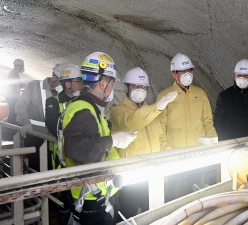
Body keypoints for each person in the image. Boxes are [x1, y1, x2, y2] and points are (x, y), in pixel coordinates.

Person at [62, 52, 137, 225]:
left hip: (94, 191)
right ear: (103, 83)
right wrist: (114, 140)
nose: (111, 88)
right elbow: (77, 149)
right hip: (90, 195)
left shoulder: (89, 108)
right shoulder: (84, 110)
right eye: (111, 83)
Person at [110, 67, 178, 219]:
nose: (140, 90)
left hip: (153, 174)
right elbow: (131, 122)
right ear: (126, 88)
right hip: (130, 177)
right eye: (136, 87)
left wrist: (171, 155)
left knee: (154, 214)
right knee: (128, 216)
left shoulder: (153, 111)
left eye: (143, 87)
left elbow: (161, 139)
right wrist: (158, 107)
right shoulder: (118, 111)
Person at [156, 53, 218, 202]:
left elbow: (208, 121)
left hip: (198, 156)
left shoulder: (201, 94)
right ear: (174, 74)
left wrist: (214, 145)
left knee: (197, 196)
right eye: (183, 72)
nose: (187, 74)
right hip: (175, 158)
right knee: (174, 198)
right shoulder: (165, 96)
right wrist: (167, 153)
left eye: (189, 71)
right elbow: (159, 129)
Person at [14, 63, 64, 171]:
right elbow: (20, 106)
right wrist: (26, 123)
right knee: (35, 167)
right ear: (54, 77)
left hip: (52, 139)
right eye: (63, 81)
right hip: (33, 135)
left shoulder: (61, 93)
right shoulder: (34, 85)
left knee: (50, 167)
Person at [45, 64, 83, 170]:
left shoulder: (81, 101)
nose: (81, 84)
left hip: (78, 150)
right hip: (60, 155)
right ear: (67, 84)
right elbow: (53, 126)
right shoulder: (53, 101)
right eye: (78, 81)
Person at [5, 58, 24, 124]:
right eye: (22, 66)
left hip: (12, 97)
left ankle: (10, 126)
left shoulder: (15, 73)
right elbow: (12, 86)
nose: (22, 68)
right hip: (12, 97)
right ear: (18, 66)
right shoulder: (13, 74)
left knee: (13, 113)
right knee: (13, 113)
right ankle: (10, 127)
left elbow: (17, 85)